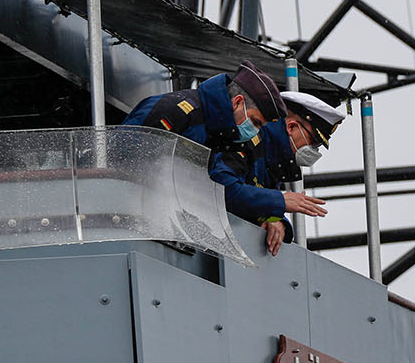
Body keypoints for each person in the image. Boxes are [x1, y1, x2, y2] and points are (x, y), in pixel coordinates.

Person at [210, 90, 345, 255]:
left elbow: (257, 200)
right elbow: (222, 190)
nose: (314, 151)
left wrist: (277, 220)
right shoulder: (247, 142)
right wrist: (280, 201)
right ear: (291, 127)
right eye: (313, 142)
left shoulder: (273, 159)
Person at [122, 61, 287, 152]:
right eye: (255, 122)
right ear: (237, 102)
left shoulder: (219, 134)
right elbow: (124, 154)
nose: (255, 131)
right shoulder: (175, 112)